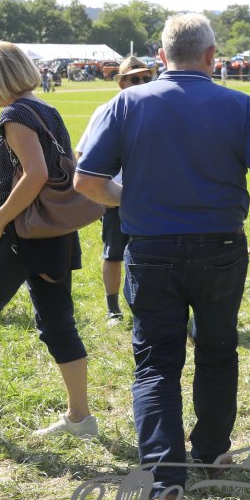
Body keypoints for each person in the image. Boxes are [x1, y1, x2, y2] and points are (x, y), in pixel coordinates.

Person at [74, 14, 250, 500]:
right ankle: (211, 452)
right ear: (212, 56)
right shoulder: (240, 104)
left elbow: (86, 180)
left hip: (151, 249)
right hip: (220, 247)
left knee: (155, 366)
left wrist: (126, 197)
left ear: (161, 56)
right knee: (218, 349)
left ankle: (165, 487)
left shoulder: (126, 103)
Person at [0, 40, 98, 445]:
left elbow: (35, 175)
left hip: (19, 233)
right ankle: (80, 417)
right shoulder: (45, 108)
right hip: (53, 233)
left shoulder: (15, 114)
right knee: (58, 323)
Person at [80, 56, 155, 325]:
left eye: (147, 78)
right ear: (121, 83)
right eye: (135, 79)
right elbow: (82, 155)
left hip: (153, 198)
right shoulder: (106, 111)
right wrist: (102, 193)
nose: (142, 82)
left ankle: (147, 306)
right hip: (116, 199)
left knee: (154, 254)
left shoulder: (161, 108)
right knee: (113, 254)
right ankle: (113, 309)